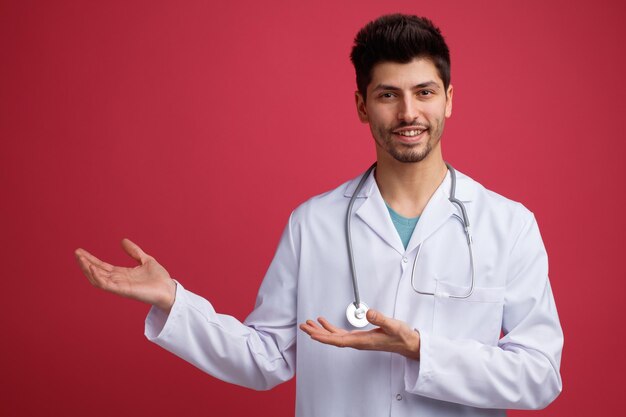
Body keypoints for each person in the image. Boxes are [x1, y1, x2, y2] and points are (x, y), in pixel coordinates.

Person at [75, 14, 563, 416]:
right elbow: (264, 357)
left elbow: (540, 375)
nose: (408, 112)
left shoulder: (508, 225)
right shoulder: (314, 224)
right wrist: (173, 301)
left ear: (449, 100)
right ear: (362, 105)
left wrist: (420, 348)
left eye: (425, 92)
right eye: (388, 94)